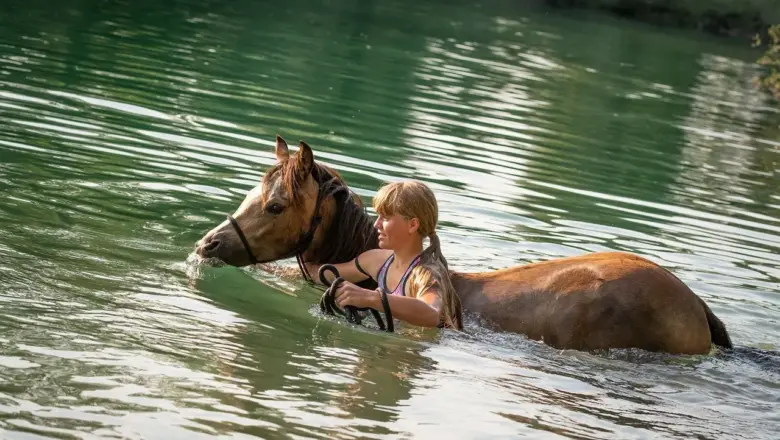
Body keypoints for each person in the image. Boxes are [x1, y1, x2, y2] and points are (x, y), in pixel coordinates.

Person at [307, 180, 463, 330]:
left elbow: (432, 315)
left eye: (386, 218)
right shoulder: (376, 260)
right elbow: (324, 274)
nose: (377, 224)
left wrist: (370, 298)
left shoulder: (426, 274)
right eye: (378, 216)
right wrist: (295, 270)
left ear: (412, 225)